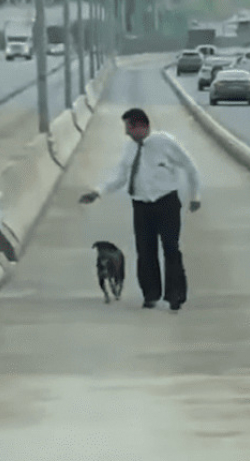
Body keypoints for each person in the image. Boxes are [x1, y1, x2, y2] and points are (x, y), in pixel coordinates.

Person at [79, 108, 201, 311]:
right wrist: (98, 192)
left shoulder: (165, 142)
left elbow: (190, 167)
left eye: (129, 127)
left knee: (171, 248)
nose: (126, 132)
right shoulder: (129, 149)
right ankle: (150, 294)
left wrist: (195, 196)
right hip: (142, 204)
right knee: (145, 250)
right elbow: (119, 176)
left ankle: (175, 295)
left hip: (166, 202)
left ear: (141, 126)